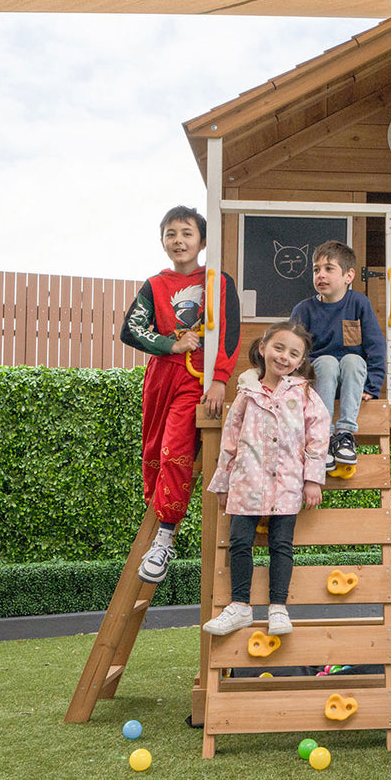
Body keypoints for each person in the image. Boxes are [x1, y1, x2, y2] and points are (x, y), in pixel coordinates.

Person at [121, 205, 241, 584]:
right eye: (171, 234)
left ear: (202, 241)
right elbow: (130, 330)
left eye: (187, 233)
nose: (179, 240)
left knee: (175, 447)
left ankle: (165, 538)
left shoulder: (218, 281)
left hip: (197, 381)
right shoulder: (154, 285)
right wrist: (169, 344)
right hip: (161, 378)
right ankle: (158, 528)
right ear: (162, 242)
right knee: (154, 452)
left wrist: (220, 378)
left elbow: (230, 332)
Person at [203, 321, 330, 636]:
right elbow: (230, 439)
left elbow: (318, 432)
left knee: (281, 544)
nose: (284, 357)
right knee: (240, 542)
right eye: (279, 348)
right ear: (263, 348)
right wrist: (223, 484)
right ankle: (240, 607)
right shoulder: (247, 392)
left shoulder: (303, 393)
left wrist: (312, 479)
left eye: (293, 353)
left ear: (300, 362)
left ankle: (278, 607)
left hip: (287, 482)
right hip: (247, 481)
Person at [290, 240, 385, 472]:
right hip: (317, 382)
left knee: (353, 359)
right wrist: (293, 384)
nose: (320, 275)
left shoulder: (359, 303)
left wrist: (373, 385)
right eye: (316, 269)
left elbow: (376, 345)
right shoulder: (303, 310)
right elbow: (292, 349)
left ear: (348, 276)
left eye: (328, 268)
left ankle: (344, 435)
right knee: (328, 362)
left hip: (351, 384)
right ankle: (322, 435)